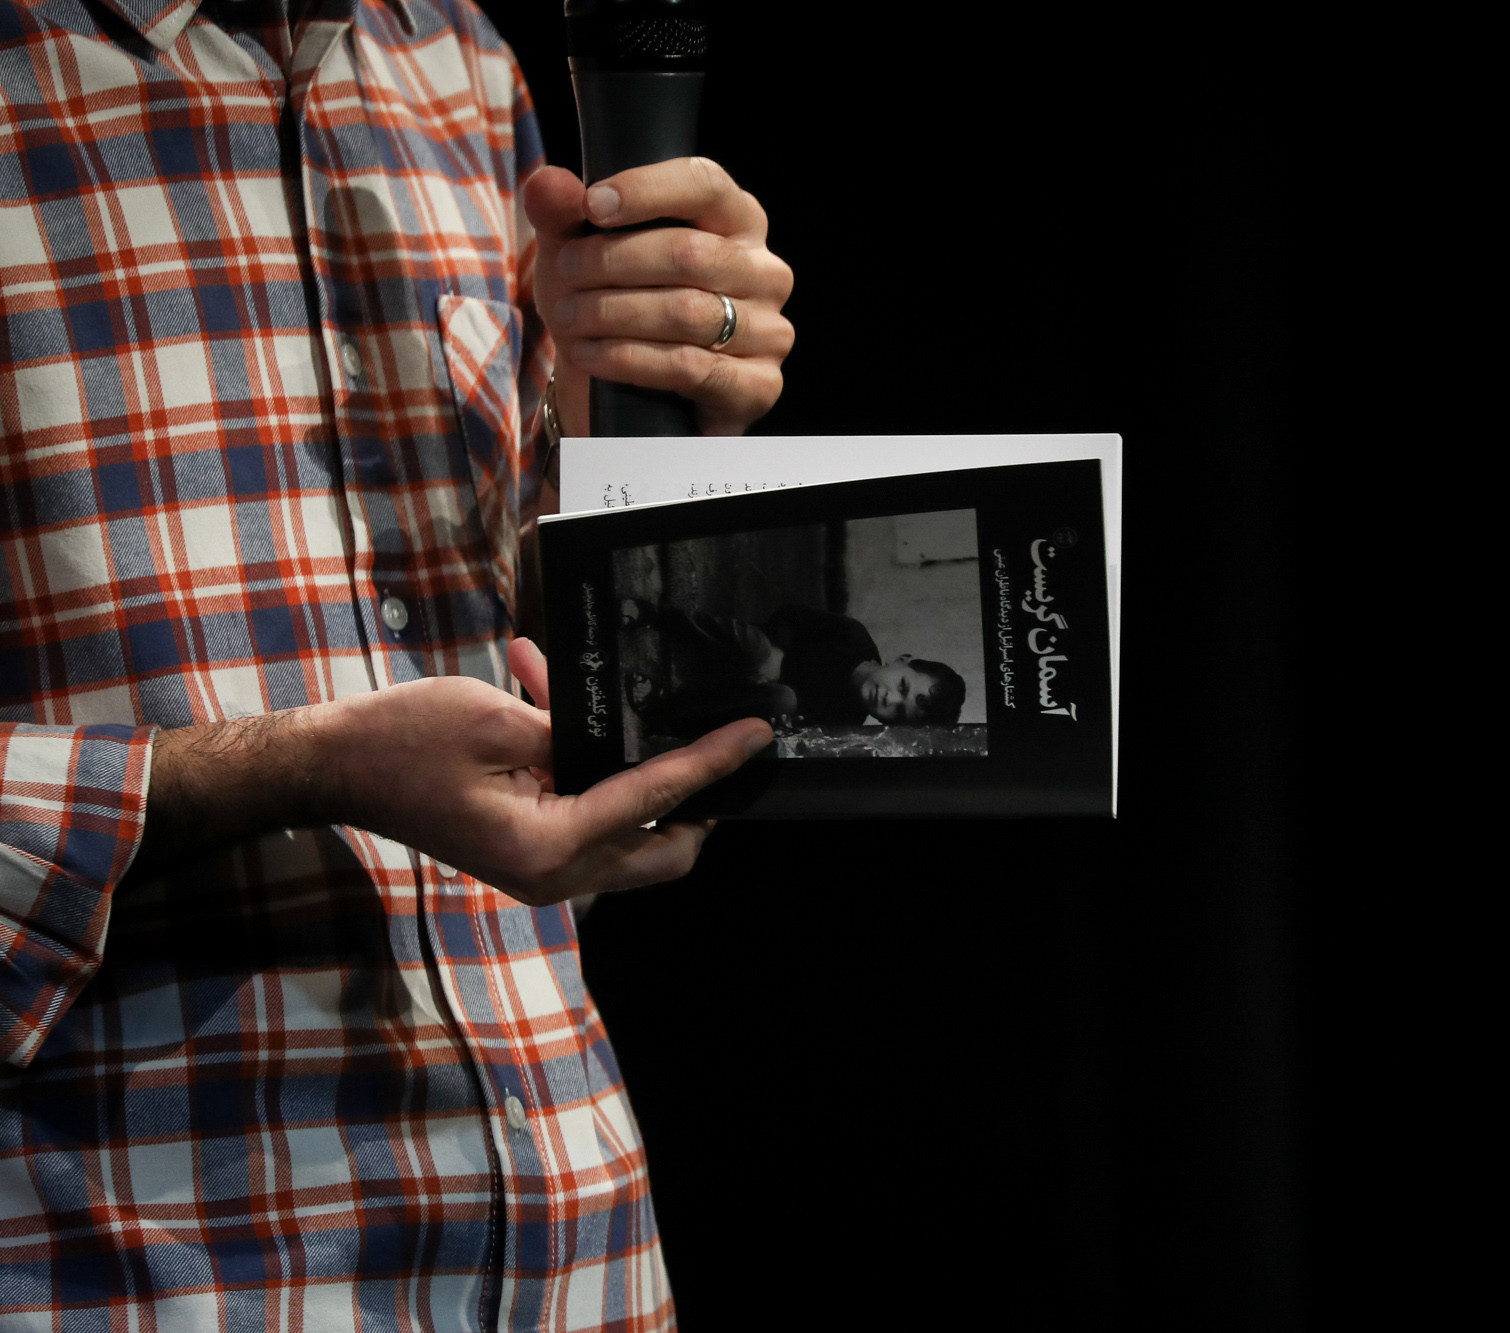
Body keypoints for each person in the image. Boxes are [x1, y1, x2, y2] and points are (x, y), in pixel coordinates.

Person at [0, 0, 791, 1326]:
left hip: (581, 1265)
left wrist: (632, 418)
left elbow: (498, 622)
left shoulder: (456, 60)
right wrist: (297, 767)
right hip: (140, 1276)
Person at [650, 605, 966, 740]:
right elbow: (790, 614)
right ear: (901, 660)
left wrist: (785, 724)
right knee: (757, 647)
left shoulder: (844, 721)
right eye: (902, 687)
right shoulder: (852, 638)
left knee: (782, 702)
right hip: (746, 657)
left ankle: (667, 708)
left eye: (898, 711)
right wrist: (778, 653)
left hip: (744, 696)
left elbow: (796, 726)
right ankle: (659, 616)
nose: (889, 698)